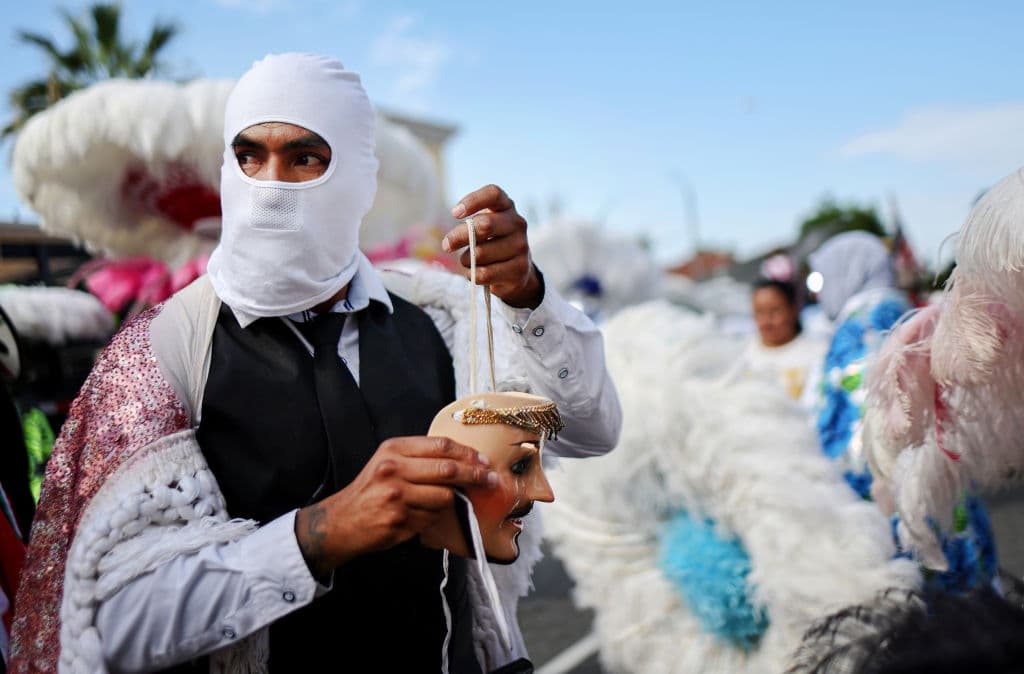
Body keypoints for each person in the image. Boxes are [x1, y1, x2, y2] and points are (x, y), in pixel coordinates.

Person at [10, 53, 621, 673]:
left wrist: (526, 296)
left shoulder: (438, 317)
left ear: (357, 173)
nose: (270, 184)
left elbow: (588, 431)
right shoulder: (161, 351)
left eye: (304, 157)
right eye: (250, 156)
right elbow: (106, 623)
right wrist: (317, 537)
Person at [809, 231, 995, 594]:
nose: (817, 292)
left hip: (893, 515)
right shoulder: (912, 315)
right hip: (946, 494)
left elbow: (859, 439)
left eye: (821, 279)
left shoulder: (858, 332)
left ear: (847, 272)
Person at [738, 279, 827, 404]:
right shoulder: (742, 355)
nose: (766, 321)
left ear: (793, 309)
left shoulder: (819, 353)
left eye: (774, 311)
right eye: (759, 312)